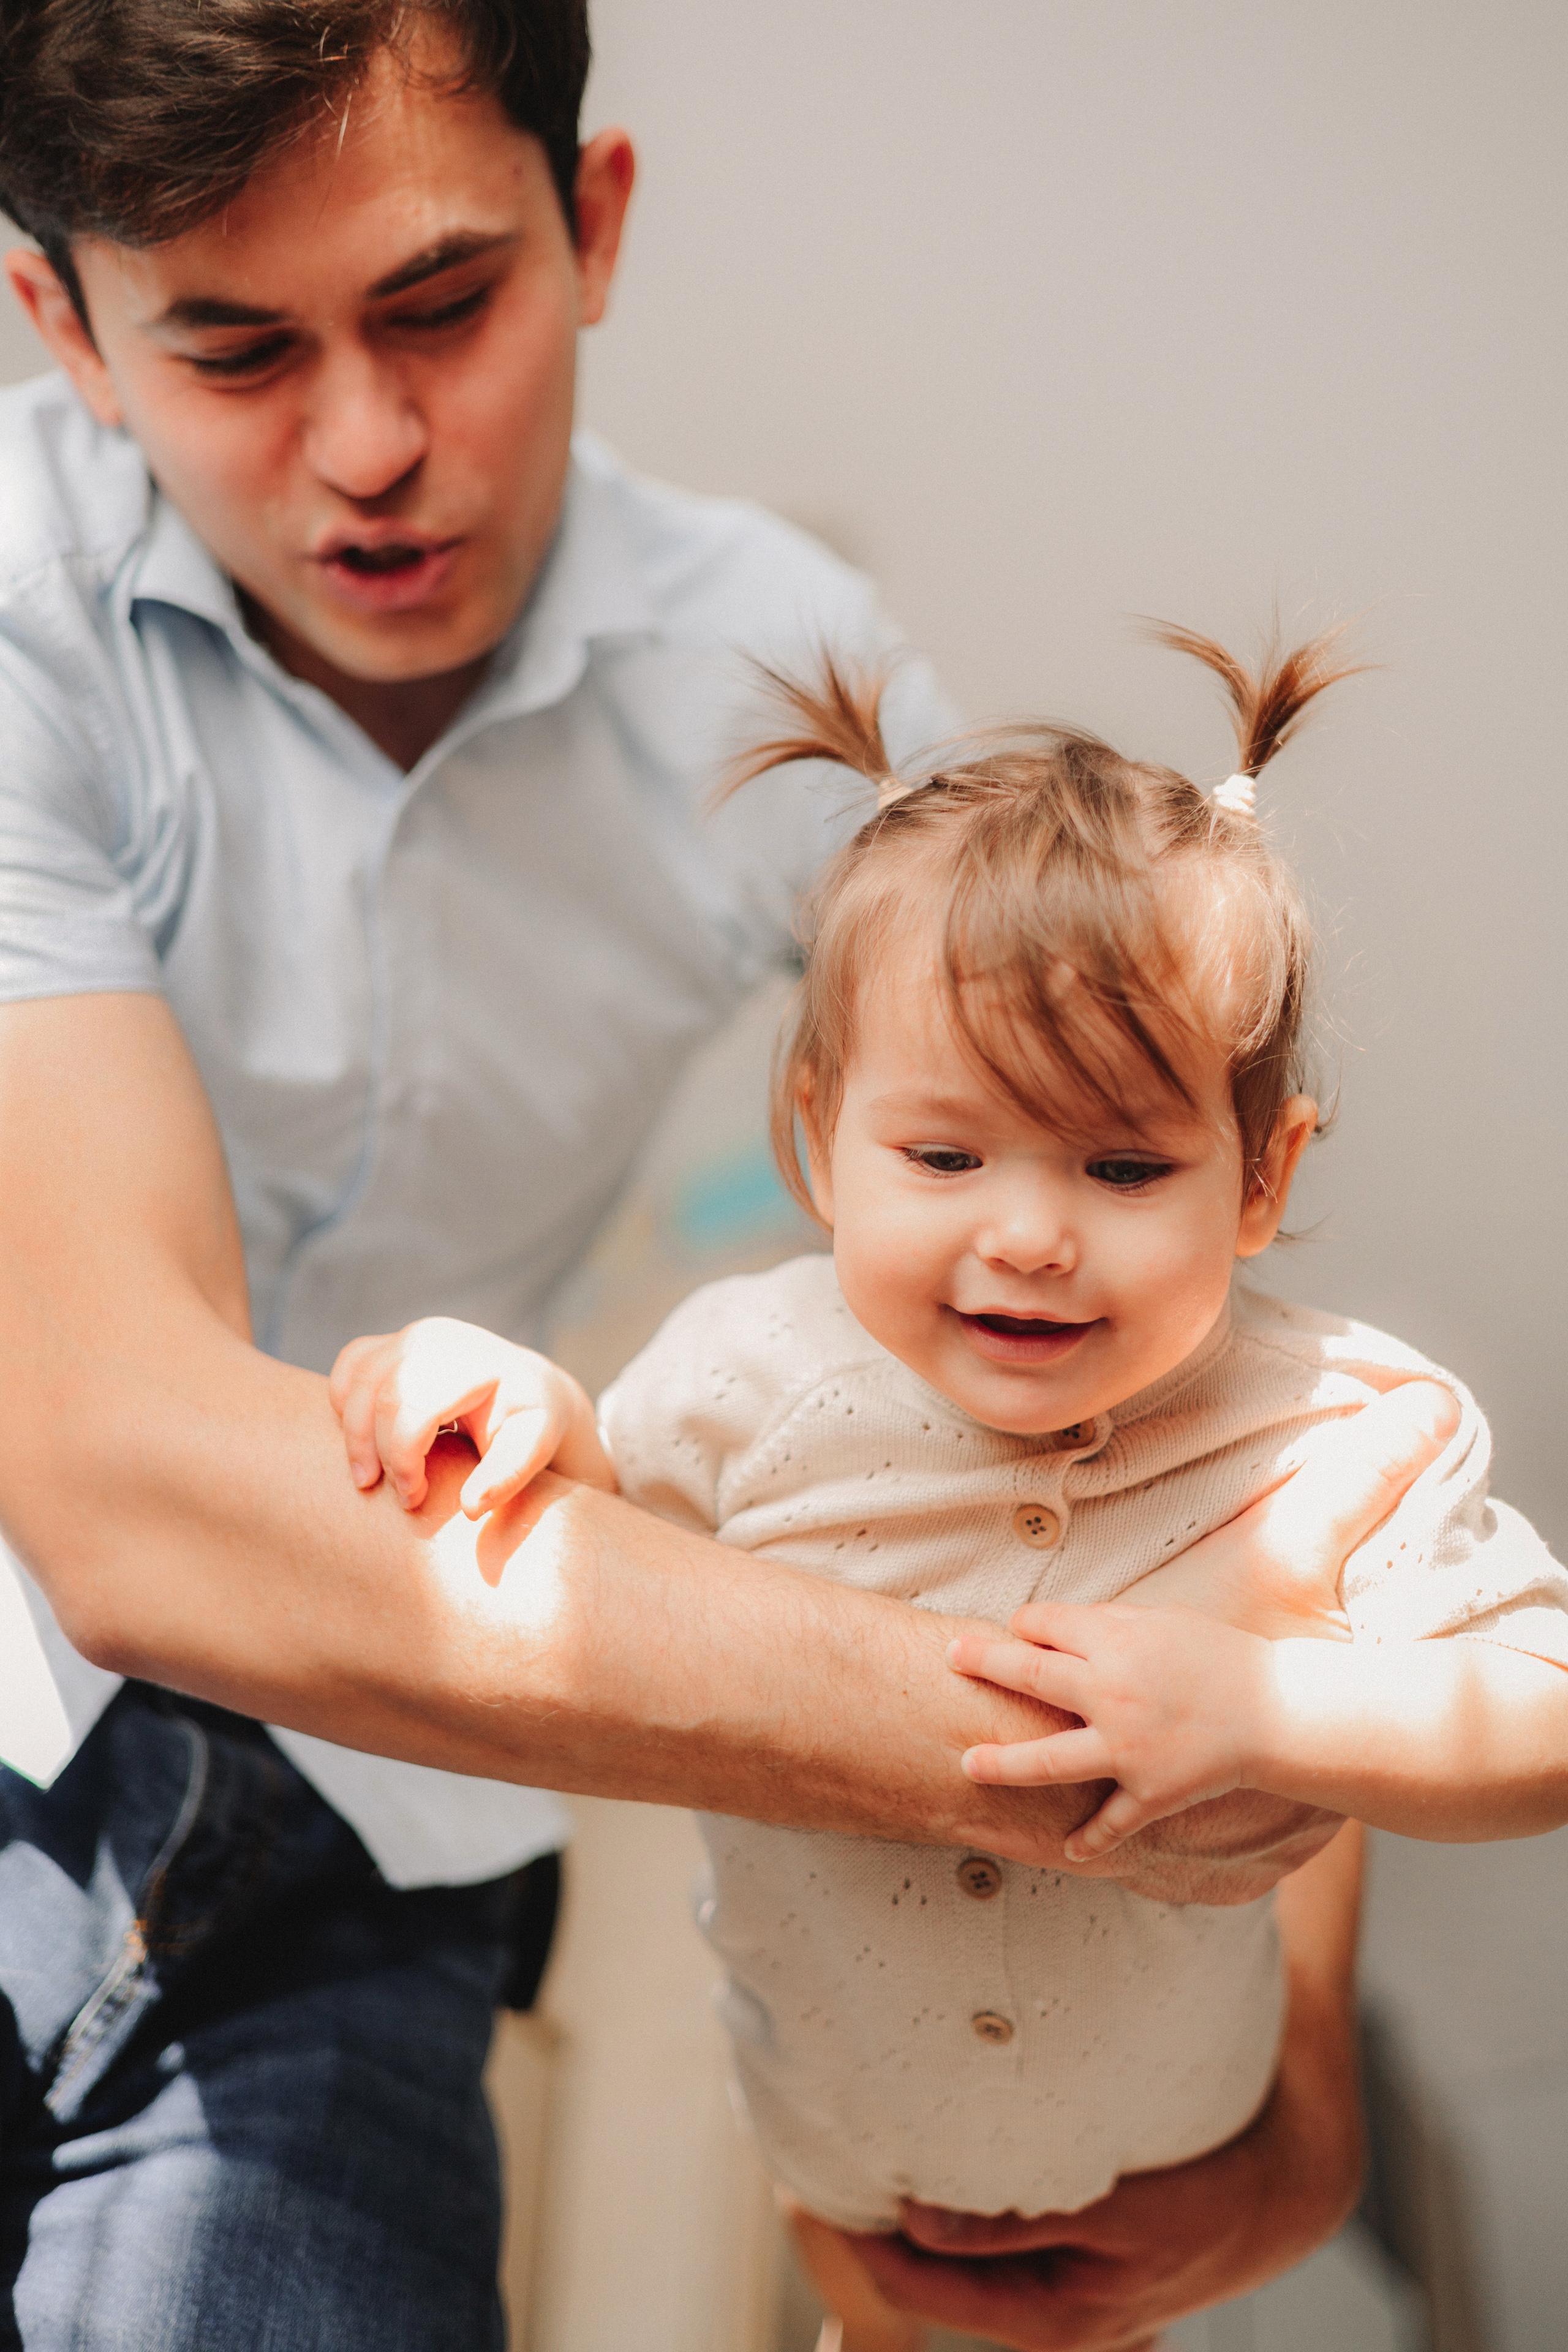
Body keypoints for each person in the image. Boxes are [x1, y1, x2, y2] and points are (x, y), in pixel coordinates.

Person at [0, 0, 1485, 2342]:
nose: (373, 448)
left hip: (387, 1840)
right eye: (236, 351)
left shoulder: (779, 679)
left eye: (442, 305)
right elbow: (121, 1488)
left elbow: (1214, 1389)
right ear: (58, 327)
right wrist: (1082, 1762)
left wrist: (1293, 2107)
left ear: (590, 227)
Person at [330, 631, 1568, 2348]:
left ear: (1265, 1175)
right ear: (821, 1136)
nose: (1032, 1232)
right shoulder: (741, 1375)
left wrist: (1279, 1705)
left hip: (1164, 2171)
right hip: (852, 2169)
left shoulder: (1342, 1427)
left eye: (1126, 1163)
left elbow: (1543, 1721)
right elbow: (599, 1540)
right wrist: (515, 1393)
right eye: (945, 1155)